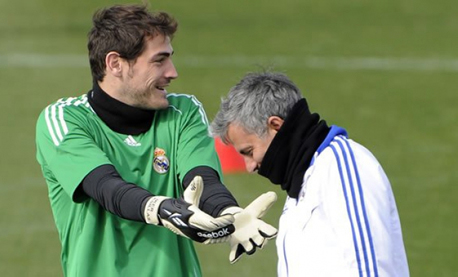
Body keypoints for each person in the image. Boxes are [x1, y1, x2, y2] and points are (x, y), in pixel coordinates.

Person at [35, 4, 277, 277]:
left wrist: (229, 212)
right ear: (115, 63)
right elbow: (106, 188)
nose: (173, 72)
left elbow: (202, 181)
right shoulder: (64, 119)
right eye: (159, 60)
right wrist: (164, 209)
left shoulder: (183, 113)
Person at [210, 71, 410, 277]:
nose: (250, 167)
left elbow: (370, 269)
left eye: (249, 152)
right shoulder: (301, 185)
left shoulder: (339, 165)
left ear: (275, 126)